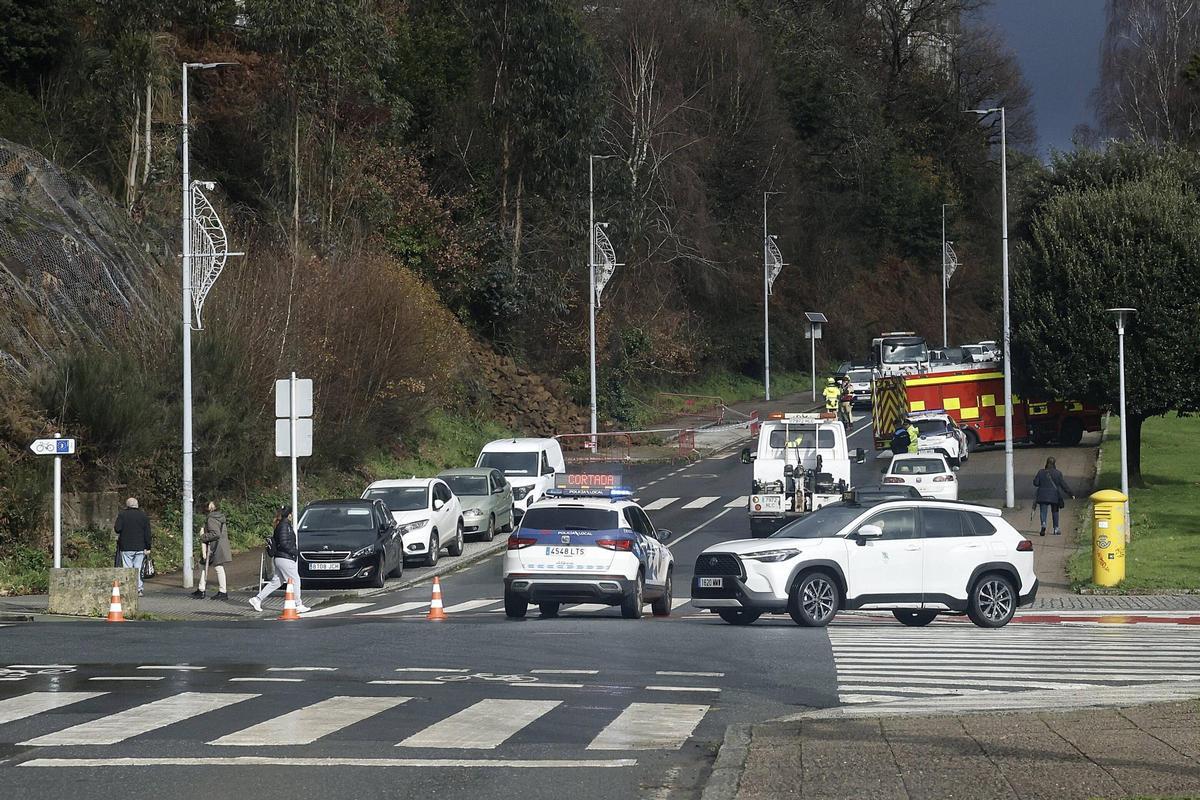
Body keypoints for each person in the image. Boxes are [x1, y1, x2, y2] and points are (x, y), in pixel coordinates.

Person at [250, 505, 308, 614]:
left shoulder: (282, 525)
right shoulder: (284, 526)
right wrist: (294, 552)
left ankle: (257, 599)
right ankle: (298, 604)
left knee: (276, 582)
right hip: (285, 557)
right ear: (289, 514)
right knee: (295, 580)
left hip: (281, 558)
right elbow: (284, 543)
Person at [193, 501, 232, 600]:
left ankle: (222, 592)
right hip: (219, 545)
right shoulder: (219, 517)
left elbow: (215, 533)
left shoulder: (211, 518)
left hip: (214, 546)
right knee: (204, 565)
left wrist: (203, 536)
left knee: (218, 567)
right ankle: (202, 589)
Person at [114, 497, 152, 596]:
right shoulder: (143, 516)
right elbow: (147, 533)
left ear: (127, 505)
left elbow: (117, 529)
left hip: (126, 547)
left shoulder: (122, 515)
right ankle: (139, 589)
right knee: (138, 568)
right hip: (140, 547)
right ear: (137, 505)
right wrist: (148, 547)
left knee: (127, 568)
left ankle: (128, 588)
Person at [1033, 456, 1074, 536]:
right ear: (1054, 463)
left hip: (1042, 495)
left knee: (1043, 511)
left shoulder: (1041, 472)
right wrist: (1071, 493)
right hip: (1054, 496)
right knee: (1055, 511)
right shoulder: (1058, 473)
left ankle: (1043, 524)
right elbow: (1063, 485)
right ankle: (1056, 528)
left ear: (1046, 463)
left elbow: (1036, 483)